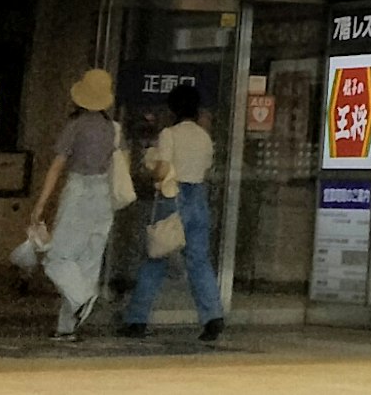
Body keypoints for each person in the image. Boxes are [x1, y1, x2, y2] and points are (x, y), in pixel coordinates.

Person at [118, 82, 227, 343]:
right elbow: (207, 167)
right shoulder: (204, 137)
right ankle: (213, 316)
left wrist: (150, 166)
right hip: (198, 197)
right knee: (199, 261)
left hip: (173, 197)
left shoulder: (169, 134)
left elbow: (163, 170)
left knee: (156, 257)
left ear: (173, 108)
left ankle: (137, 319)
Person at [28, 68, 130, 340]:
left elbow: (56, 168)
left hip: (79, 190)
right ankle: (67, 327)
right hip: (103, 197)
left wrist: (40, 205)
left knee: (57, 257)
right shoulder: (113, 128)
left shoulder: (75, 126)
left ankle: (82, 298)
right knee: (88, 262)